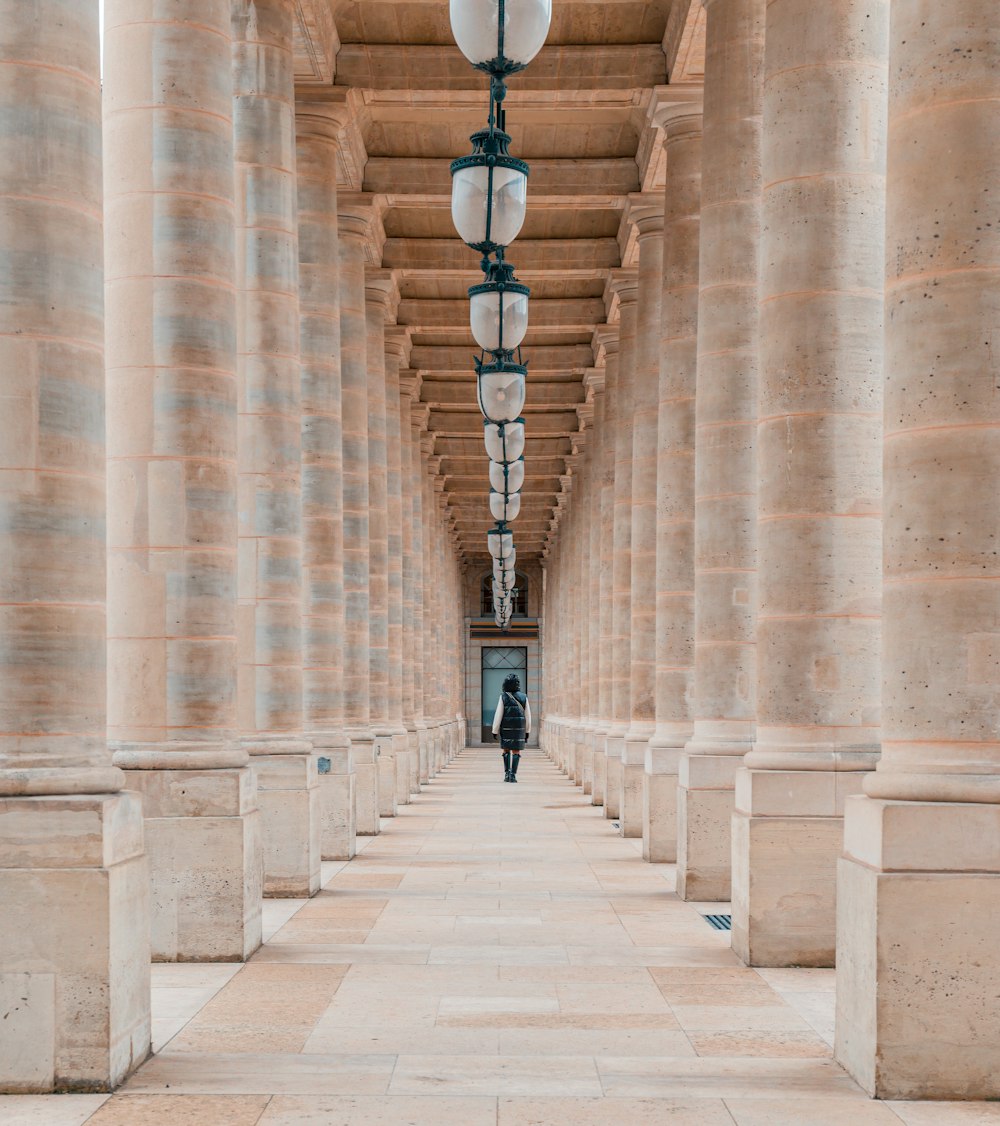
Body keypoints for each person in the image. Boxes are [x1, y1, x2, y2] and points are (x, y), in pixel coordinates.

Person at [492, 673, 531, 782]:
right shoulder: (524, 697)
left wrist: (494, 730)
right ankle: (513, 775)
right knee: (516, 751)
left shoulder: (503, 696)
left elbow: (498, 713)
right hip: (519, 729)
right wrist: (527, 730)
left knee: (506, 750)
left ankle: (506, 774)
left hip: (506, 728)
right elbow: (528, 715)